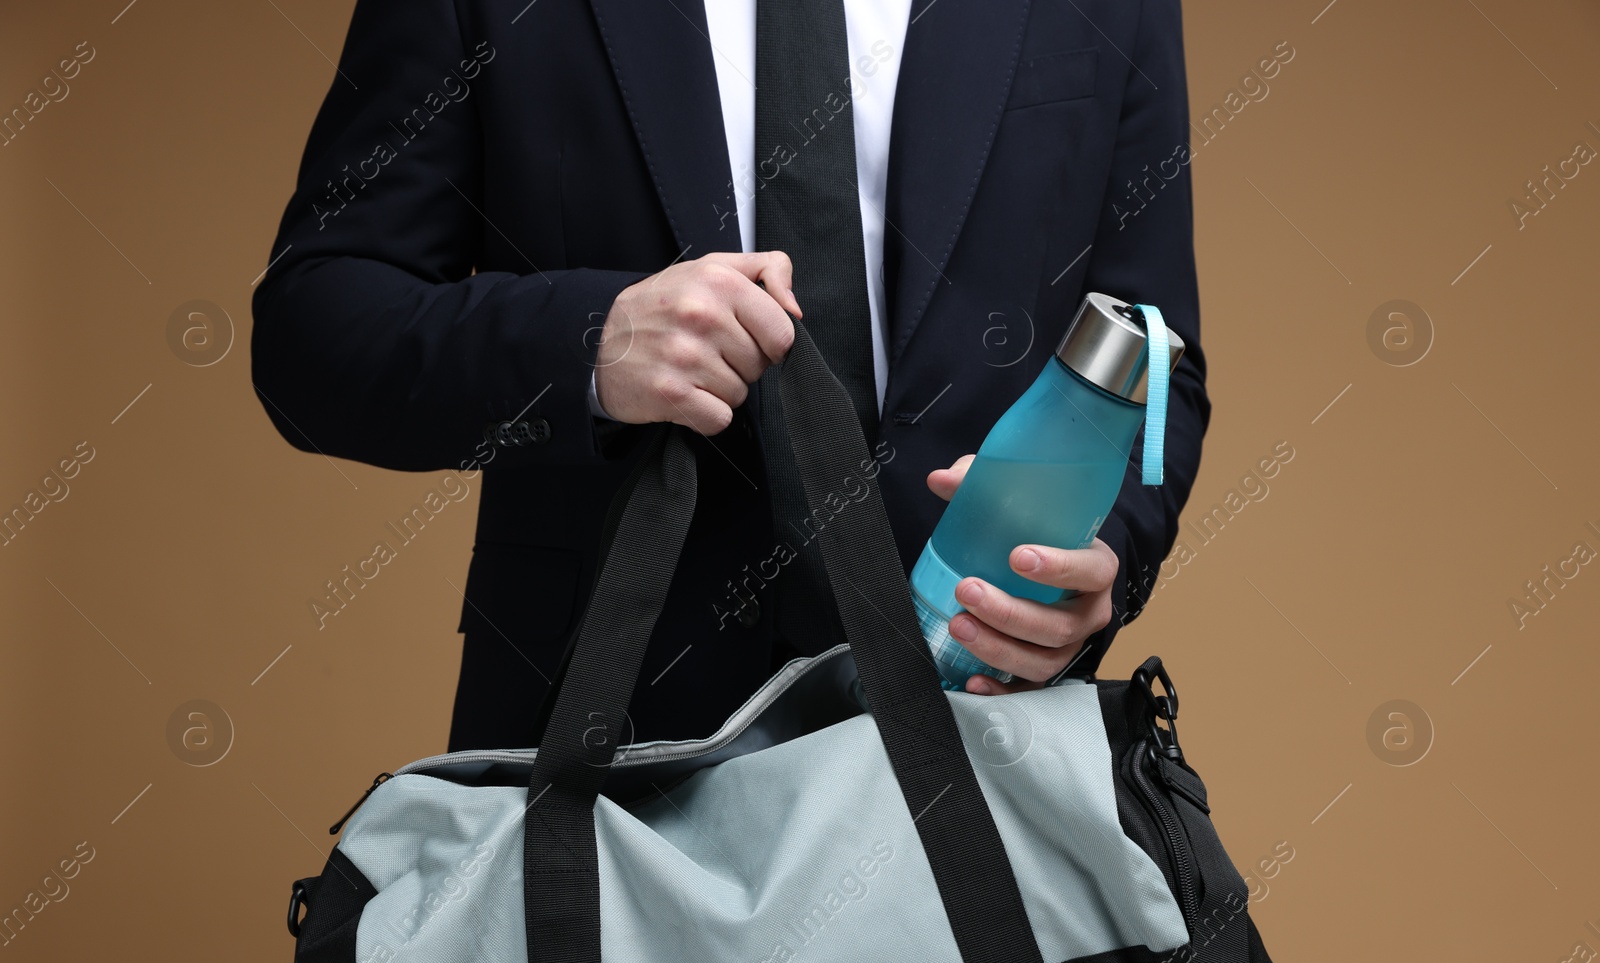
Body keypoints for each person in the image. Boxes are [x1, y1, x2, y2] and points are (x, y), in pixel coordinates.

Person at [251, 0, 1210, 751]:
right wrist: (592, 340)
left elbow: (1157, 354)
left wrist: (1104, 565)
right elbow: (312, 330)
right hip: (606, 762)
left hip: (984, 736)